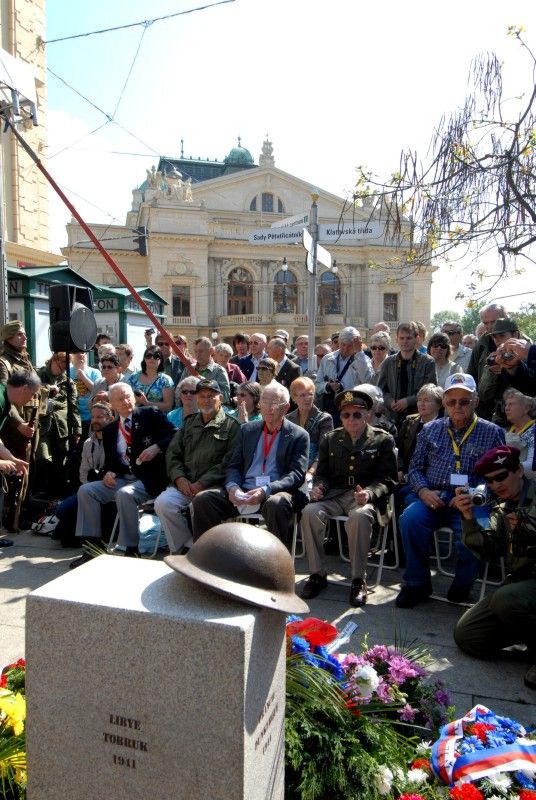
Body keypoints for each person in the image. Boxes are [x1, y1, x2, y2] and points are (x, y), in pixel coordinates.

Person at [395, 373, 505, 607]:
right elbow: (414, 468)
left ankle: (462, 586)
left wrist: (475, 495)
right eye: (451, 401)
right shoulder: (430, 429)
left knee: (475, 531)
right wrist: (423, 492)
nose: (457, 406)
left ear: (475, 401)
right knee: (410, 520)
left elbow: (499, 477)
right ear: (444, 403)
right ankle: (416, 583)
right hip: (433, 497)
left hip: (471, 501)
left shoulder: (492, 432)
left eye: (464, 401)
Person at [300, 388, 397, 606]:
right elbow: (323, 474)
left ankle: (357, 579)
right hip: (335, 495)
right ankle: (317, 574)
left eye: (357, 414)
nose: (351, 419)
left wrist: (370, 493)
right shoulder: (331, 439)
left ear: (368, 415)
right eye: (346, 415)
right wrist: (319, 488)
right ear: (340, 416)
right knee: (309, 511)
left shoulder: (382, 440)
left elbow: (388, 479)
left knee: (359, 517)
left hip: (364, 498)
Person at [451, 446, 536, 690]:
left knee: (505, 599)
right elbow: (487, 550)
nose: (496, 485)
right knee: (467, 636)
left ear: (519, 470)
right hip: (522, 584)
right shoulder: (503, 508)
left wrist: (529, 529)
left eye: (501, 476)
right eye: (490, 481)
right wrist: (468, 516)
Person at [71, 383, 176, 567]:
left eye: (128, 396)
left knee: (125, 494)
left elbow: (175, 434)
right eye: (120, 399)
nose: (126, 401)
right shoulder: (111, 429)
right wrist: (107, 473)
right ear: (112, 404)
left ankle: (131, 549)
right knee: (86, 490)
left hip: (149, 479)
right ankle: (92, 547)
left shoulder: (149, 414)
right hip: (123, 478)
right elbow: (110, 463)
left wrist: (156, 447)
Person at [191, 383, 309, 546]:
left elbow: (296, 474)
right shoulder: (247, 430)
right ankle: (204, 558)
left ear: (286, 407)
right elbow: (233, 465)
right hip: (244, 490)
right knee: (203, 500)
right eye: (264, 403)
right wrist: (232, 487)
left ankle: (276, 565)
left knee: (276, 504)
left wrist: (266, 489)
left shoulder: (298, 435)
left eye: (274, 404)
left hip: (274, 491)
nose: (268, 408)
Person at [154, 380, 240, 553]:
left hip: (213, 487)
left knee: (200, 504)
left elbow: (230, 462)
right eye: (202, 396)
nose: (206, 400)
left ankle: (203, 552)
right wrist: (179, 479)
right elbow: (173, 454)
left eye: (211, 396)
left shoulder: (232, 426)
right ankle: (185, 547)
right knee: (163, 503)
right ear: (197, 399)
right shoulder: (189, 423)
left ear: (221, 398)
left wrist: (202, 483)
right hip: (184, 484)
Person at [52, 401, 115, 548]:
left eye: (99, 417)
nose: (95, 420)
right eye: (93, 417)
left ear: (111, 419)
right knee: (62, 510)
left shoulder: (117, 441)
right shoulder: (88, 443)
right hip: (88, 488)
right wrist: (87, 490)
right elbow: (83, 472)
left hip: (109, 487)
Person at [0, 321, 43, 529]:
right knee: (12, 478)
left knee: (26, 470)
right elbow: (8, 396)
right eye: (18, 335)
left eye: (24, 334)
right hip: (13, 428)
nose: (24, 338)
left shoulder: (25, 359)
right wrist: (19, 425)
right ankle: (11, 517)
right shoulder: (4, 363)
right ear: (8, 337)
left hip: (29, 423)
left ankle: (21, 512)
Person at [0, 371, 41, 546]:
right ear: (24, 389)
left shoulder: (6, 401)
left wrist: (10, 457)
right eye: (32, 394)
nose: (32, 398)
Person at [36, 352, 82, 498]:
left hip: (62, 427)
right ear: (54, 360)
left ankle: (57, 495)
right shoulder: (38, 375)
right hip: (42, 426)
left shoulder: (67, 381)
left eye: (68, 364)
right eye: (63, 362)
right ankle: (41, 492)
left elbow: (74, 406)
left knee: (61, 463)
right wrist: (46, 389)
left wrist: (77, 429)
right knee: (43, 459)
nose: (65, 367)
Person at [378, 322, 437, 427]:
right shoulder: (388, 362)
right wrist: (390, 402)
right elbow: (380, 389)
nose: (405, 341)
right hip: (392, 418)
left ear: (417, 338)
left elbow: (431, 391)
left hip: (418, 419)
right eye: (402, 338)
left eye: (409, 338)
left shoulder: (428, 362)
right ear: (396, 339)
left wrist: (408, 401)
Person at [315, 326, 374, 425]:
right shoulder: (328, 359)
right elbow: (317, 385)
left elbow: (368, 380)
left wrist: (359, 353)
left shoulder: (363, 360)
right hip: (331, 406)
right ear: (338, 342)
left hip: (353, 407)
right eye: (343, 344)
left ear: (356, 345)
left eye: (350, 345)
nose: (346, 348)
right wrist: (328, 386)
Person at [286, 376, 333, 480]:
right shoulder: (287, 419)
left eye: (310, 394)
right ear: (294, 398)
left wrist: (311, 472)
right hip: (291, 469)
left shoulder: (324, 419)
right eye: (302, 395)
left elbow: (323, 450)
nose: (307, 398)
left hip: (314, 471)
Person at [128, 345, 174, 413]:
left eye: (156, 356)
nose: (152, 358)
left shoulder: (166, 380)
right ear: (144, 359)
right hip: (136, 418)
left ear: (161, 360)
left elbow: (168, 406)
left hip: (157, 419)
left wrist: (147, 403)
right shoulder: (133, 377)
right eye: (148, 355)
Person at [503, 389, 535, 478]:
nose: (506, 408)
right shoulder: (506, 431)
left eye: (511, 404)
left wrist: (501, 467)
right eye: (506, 405)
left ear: (526, 408)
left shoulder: (534, 430)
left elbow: (532, 466)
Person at [70, 352, 101, 441]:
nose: (80, 355)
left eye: (83, 352)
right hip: (74, 417)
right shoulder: (67, 372)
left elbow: (96, 391)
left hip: (90, 416)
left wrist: (83, 377)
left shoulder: (95, 372)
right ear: (72, 356)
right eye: (77, 353)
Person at [192, 337, 230, 402]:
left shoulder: (219, 371)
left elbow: (226, 396)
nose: (197, 355)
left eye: (201, 351)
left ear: (211, 351)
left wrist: (207, 384)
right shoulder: (188, 369)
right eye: (195, 351)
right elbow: (179, 392)